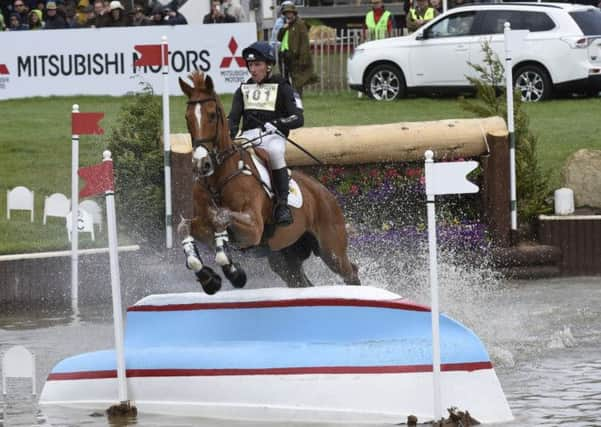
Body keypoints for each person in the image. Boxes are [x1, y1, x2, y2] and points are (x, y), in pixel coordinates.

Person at [228, 41, 304, 227]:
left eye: (257, 65)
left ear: (268, 66)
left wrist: (277, 123)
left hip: (272, 135)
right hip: (247, 136)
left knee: (276, 152)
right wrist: (228, 134)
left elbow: (298, 118)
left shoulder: (283, 87)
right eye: (250, 65)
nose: (253, 70)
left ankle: (283, 205)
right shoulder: (243, 89)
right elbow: (233, 119)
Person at [277, 2, 318, 97]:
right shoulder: (286, 24)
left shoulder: (300, 24)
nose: (288, 15)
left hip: (294, 56)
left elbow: (304, 42)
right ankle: (287, 98)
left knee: (297, 80)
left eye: (290, 13)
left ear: (294, 13)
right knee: (284, 78)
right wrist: (283, 28)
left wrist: (303, 58)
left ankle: (297, 98)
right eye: (286, 13)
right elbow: (279, 38)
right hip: (283, 54)